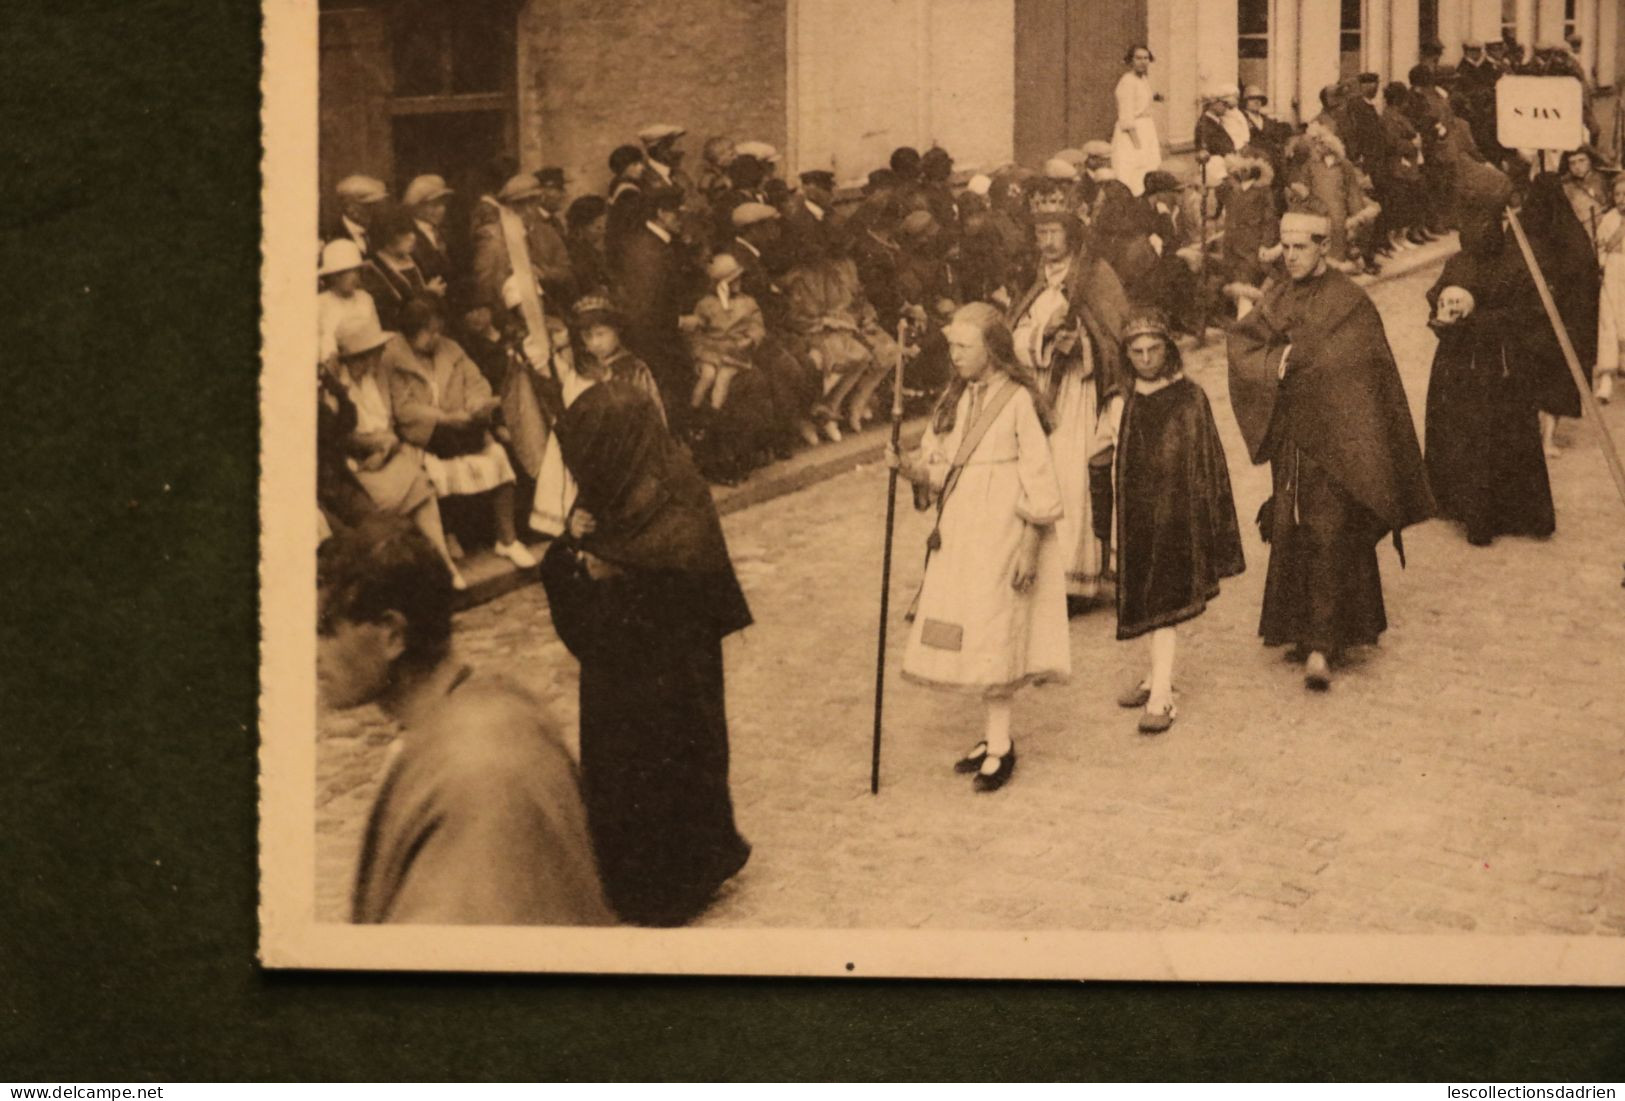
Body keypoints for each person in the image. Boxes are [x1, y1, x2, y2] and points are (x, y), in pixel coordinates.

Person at [321, 516, 612, 927]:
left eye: (324, 629)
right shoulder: (487, 703)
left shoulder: (477, 766)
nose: (310, 651)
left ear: (391, 633)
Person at [538, 383, 753, 926]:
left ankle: (680, 881)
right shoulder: (607, 487)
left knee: (676, 765)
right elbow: (580, 596)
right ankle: (626, 877)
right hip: (617, 677)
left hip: (674, 676)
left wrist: (616, 575)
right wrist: (572, 549)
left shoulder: (676, 486)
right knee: (621, 772)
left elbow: (690, 577)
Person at [1227, 204, 1433, 691]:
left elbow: (1362, 367)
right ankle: (1299, 632)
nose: (1292, 256)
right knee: (1292, 529)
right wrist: (1283, 361)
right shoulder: (1277, 294)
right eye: (1287, 247)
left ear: (1324, 247)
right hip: (1293, 442)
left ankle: (1323, 644)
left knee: (1330, 532)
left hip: (1339, 443)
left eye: (1302, 247)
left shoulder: (1350, 302)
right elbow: (1244, 348)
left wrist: (1311, 365)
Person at [887, 302, 1068, 792]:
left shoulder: (1017, 402)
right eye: (951, 347)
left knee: (996, 629)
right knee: (970, 627)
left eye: (964, 347)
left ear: (991, 349)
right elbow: (940, 464)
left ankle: (1002, 744)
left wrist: (1030, 545)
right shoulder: (955, 399)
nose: (956, 356)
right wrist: (909, 467)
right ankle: (990, 737)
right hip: (962, 531)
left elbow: (1040, 476)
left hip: (1003, 529)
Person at [1091, 313, 1243, 734]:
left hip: (1176, 518)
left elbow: (1208, 463)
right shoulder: (1120, 399)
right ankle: (1155, 675)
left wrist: (1205, 520)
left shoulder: (1189, 398)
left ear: (1168, 349)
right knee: (1143, 597)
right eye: (1135, 352)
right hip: (1134, 515)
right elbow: (1100, 451)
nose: (1145, 359)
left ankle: (1162, 695)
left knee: (1164, 605)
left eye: (1153, 350)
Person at [1423, 163, 1556, 547]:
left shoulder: (1517, 262)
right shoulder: (1458, 261)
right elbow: (1437, 294)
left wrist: (1476, 321)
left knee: (1493, 436)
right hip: (1456, 364)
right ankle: (1459, 504)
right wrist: (1440, 315)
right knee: (1458, 434)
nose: (1475, 229)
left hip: (1499, 365)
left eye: (1482, 220)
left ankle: (1497, 515)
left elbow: (1529, 313)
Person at [1006, 211, 1130, 613]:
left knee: (1071, 478)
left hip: (1079, 394)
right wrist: (1042, 338)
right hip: (1039, 393)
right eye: (1039, 233)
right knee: (1035, 476)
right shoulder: (1035, 280)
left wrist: (1082, 348)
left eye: (1053, 232)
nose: (1046, 241)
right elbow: (1012, 336)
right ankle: (1036, 573)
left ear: (1071, 235)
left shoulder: (1095, 276)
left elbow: (1117, 335)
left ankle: (1074, 580)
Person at [382, 296, 536, 570]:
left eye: (437, 329)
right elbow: (403, 408)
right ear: (410, 330)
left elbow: (476, 382)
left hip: (461, 429)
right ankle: (448, 533)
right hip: (424, 436)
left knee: (497, 455)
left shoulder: (451, 349)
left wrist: (476, 404)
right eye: (428, 332)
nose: (435, 337)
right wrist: (444, 418)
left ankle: (507, 539)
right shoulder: (392, 357)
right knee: (436, 470)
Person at [329, 316, 462, 588]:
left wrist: (387, 445)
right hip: (357, 463)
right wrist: (376, 446)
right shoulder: (337, 389)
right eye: (372, 353)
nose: (379, 356)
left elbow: (387, 424)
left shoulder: (374, 379)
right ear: (358, 356)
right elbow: (339, 436)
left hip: (386, 453)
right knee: (390, 496)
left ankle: (444, 564)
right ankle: (419, 574)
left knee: (420, 485)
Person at [1521, 167, 1601, 456]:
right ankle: (1546, 439)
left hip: (1541, 322)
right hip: (1555, 322)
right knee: (1552, 379)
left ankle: (1539, 438)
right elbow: (1586, 273)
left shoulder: (1525, 229)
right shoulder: (1568, 230)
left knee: (1536, 379)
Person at [617, 188, 699, 434]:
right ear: (661, 213)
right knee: (671, 397)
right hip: (655, 341)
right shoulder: (648, 250)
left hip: (661, 335)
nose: (680, 218)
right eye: (676, 213)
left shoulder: (656, 243)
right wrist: (679, 321)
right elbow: (646, 305)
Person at [685, 251, 762, 413]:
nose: (738, 283)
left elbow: (757, 326)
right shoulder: (706, 304)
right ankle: (693, 413)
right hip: (710, 352)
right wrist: (698, 354)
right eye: (733, 280)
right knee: (707, 376)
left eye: (739, 279)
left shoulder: (748, 303)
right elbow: (696, 332)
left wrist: (750, 339)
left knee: (723, 379)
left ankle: (713, 415)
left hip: (734, 352)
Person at [572, 293, 666, 423]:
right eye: (588, 336)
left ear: (617, 330)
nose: (595, 343)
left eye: (601, 334)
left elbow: (653, 415)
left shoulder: (635, 369)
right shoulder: (584, 369)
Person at [361, 209, 432, 332]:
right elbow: (390, 311)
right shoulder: (374, 268)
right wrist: (427, 294)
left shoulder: (413, 259)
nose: (412, 237)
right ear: (386, 236)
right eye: (403, 233)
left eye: (412, 231)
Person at [317, 239, 381, 368]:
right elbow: (323, 347)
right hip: (339, 368)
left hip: (369, 365)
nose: (354, 277)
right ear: (333, 276)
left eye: (356, 271)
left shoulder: (365, 299)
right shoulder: (320, 304)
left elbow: (376, 336)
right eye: (347, 272)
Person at [1113, 43, 1162, 197]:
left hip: (1146, 130)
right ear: (1131, 60)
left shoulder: (1142, 79)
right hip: (1132, 133)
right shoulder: (1127, 81)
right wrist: (1138, 146)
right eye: (1138, 58)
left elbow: (1140, 97)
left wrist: (1155, 97)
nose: (1143, 62)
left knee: (1149, 170)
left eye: (1146, 58)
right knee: (1134, 172)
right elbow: (1126, 117)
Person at [1595, 175, 1625, 404]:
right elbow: (1601, 248)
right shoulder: (1608, 218)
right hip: (1614, 272)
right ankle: (1606, 378)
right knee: (1609, 323)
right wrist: (1603, 263)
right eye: (1617, 194)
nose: (1622, 199)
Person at [402, 174, 454, 293]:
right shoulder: (409, 236)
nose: (442, 209)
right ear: (417, 206)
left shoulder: (442, 233)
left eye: (443, 204)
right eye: (434, 205)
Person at [564, 195, 612, 298]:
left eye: (604, 227)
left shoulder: (590, 249)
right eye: (598, 228)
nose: (603, 232)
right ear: (581, 226)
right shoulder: (576, 253)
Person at [328, 174, 388, 257]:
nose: (376, 210)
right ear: (349, 207)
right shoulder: (331, 236)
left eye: (377, 205)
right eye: (368, 206)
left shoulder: (382, 231)